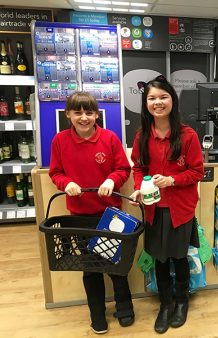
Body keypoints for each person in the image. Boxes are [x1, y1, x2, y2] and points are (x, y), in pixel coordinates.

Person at [49, 91, 134, 334]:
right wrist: (66, 183)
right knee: (90, 267)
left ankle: (124, 307)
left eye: (89, 112)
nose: (84, 117)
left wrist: (111, 179)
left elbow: (122, 169)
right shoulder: (60, 141)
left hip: (110, 215)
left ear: (97, 114)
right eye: (78, 112)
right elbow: (55, 173)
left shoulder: (109, 138)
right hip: (79, 216)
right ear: (68, 115)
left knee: (115, 265)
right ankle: (97, 313)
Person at [129, 75, 204, 334]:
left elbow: (196, 172)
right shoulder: (142, 136)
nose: (158, 102)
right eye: (152, 98)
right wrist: (139, 187)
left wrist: (172, 180)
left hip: (180, 209)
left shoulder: (188, 135)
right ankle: (165, 304)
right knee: (160, 259)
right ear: (145, 103)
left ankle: (181, 302)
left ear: (172, 100)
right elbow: (138, 167)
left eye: (163, 97)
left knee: (179, 257)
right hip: (153, 210)